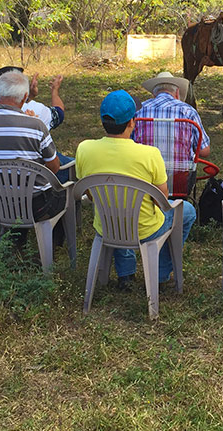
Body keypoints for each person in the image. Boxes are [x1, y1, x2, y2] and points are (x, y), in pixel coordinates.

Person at [74, 90, 196, 291]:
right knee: (188, 211)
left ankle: (126, 275)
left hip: (107, 225)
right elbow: (162, 200)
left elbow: (88, 193)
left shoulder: (84, 149)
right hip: (146, 229)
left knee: (117, 207)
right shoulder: (149, 154)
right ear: (132, 122)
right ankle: (161, 273)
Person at [0, 70, 67, 245]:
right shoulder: (36, 126)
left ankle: (16, 240)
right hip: (37, 206)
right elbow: (54, 167)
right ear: (26, 96)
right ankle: (56, 243)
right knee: (65, 191)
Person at [132, 71, 211, 163]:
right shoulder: (188, 111)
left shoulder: (138, 110)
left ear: (154, 94)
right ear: (177, 93)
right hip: (180, 174)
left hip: (144, 172)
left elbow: (128, 143)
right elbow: (204, 151)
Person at [0, 66, 65, 132]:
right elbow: (58, 114)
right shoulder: (34, 111)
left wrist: (31, 96)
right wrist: (55, 90)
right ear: (25, 95)